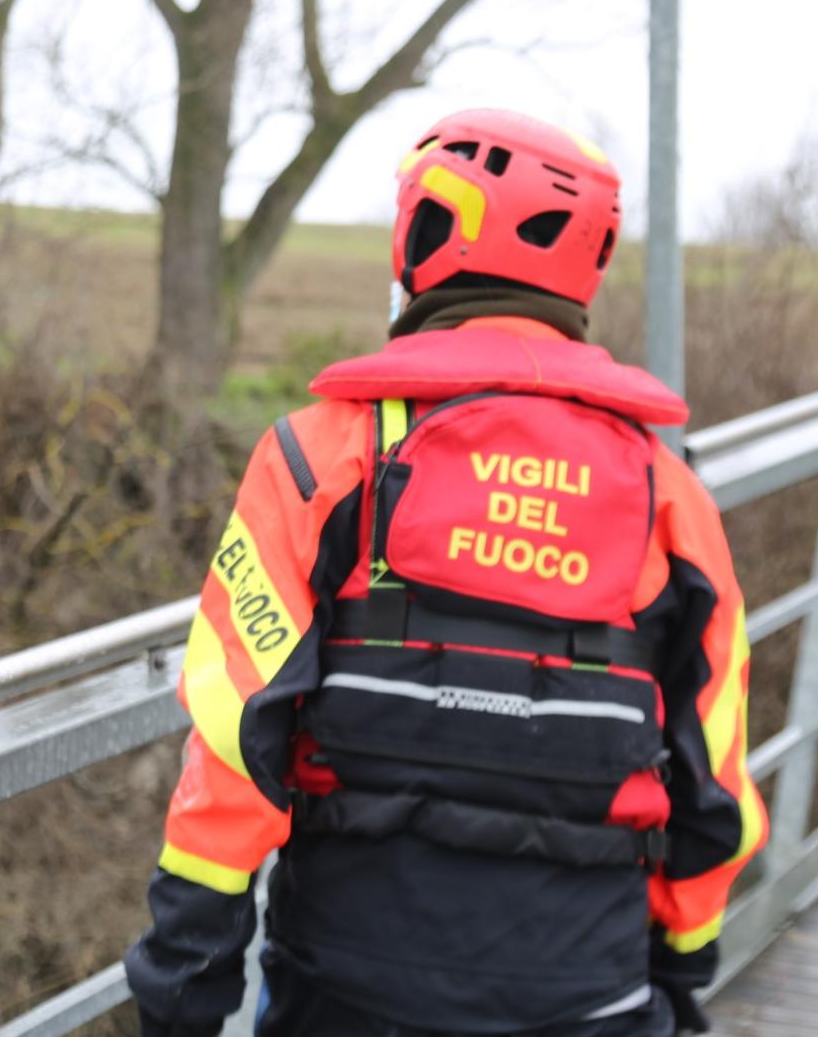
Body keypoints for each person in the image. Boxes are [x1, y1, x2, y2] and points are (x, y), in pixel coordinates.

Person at [124, 109, 768, 1036]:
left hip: (344, 984)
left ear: (424, 240)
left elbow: (232, 742)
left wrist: (183, 986)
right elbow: (717, 767)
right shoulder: (667, 496)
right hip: (585, 985)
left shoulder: (316, 460)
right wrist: (680, 958)